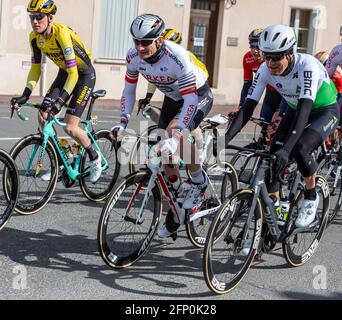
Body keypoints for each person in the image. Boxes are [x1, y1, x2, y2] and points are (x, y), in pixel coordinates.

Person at [225, 24, 339, 228]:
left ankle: (311, 197)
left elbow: (305, 110)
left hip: (324, 110)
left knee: (301, 147)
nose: (270, 63)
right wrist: (224, 140)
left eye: (276, 57)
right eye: (267, 56)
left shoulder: (307, 66)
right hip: (296, 108)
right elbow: (248, 107)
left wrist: (288, 149)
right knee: (273, 154)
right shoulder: (264, 69)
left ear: (290, 53)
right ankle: (275, 208)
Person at [111, 14, 213, 238]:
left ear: (159, 40)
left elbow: (190, 100)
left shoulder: (176, 57)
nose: (139, 47)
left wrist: (175, 137)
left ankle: (199, 179)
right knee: (164, 154)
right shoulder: (133, 57)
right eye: (135, 41)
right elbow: (129, 91)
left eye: (145, 42)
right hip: (173, 96)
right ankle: (178, 205)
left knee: (173, 133)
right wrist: (122, 121)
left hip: (197, 94)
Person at [10, 0, 101, 183]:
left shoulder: (62, 35)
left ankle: (94, 157)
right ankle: (59, 164)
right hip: (65, 73)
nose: (35, 21)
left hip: (83, 75)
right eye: (32, 17)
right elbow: (36, 68)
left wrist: (60, 102)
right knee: (44, 115)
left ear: (50, 18)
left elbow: (74, 74)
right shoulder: (35, 38)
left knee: (70, 126)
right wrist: (25, 94)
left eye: (39, 17)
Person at [137, 28, 209, 159]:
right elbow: (154, 78)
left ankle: (200, 146)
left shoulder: (182, 56)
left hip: (193, 90)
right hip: (175, 93)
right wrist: (148, 97)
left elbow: (202, 77)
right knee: (164, 130)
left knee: (188, 125)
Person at [239, 28, 285, 122]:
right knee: (263, 124)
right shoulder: (247, 58)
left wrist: (280, 111)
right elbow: (247, 84)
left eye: (257, 46)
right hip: (270, 94)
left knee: (276, 125)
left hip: (284, 95)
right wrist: (241, 105)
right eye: (252, 46)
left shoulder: (273, 58)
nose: (254, 51)